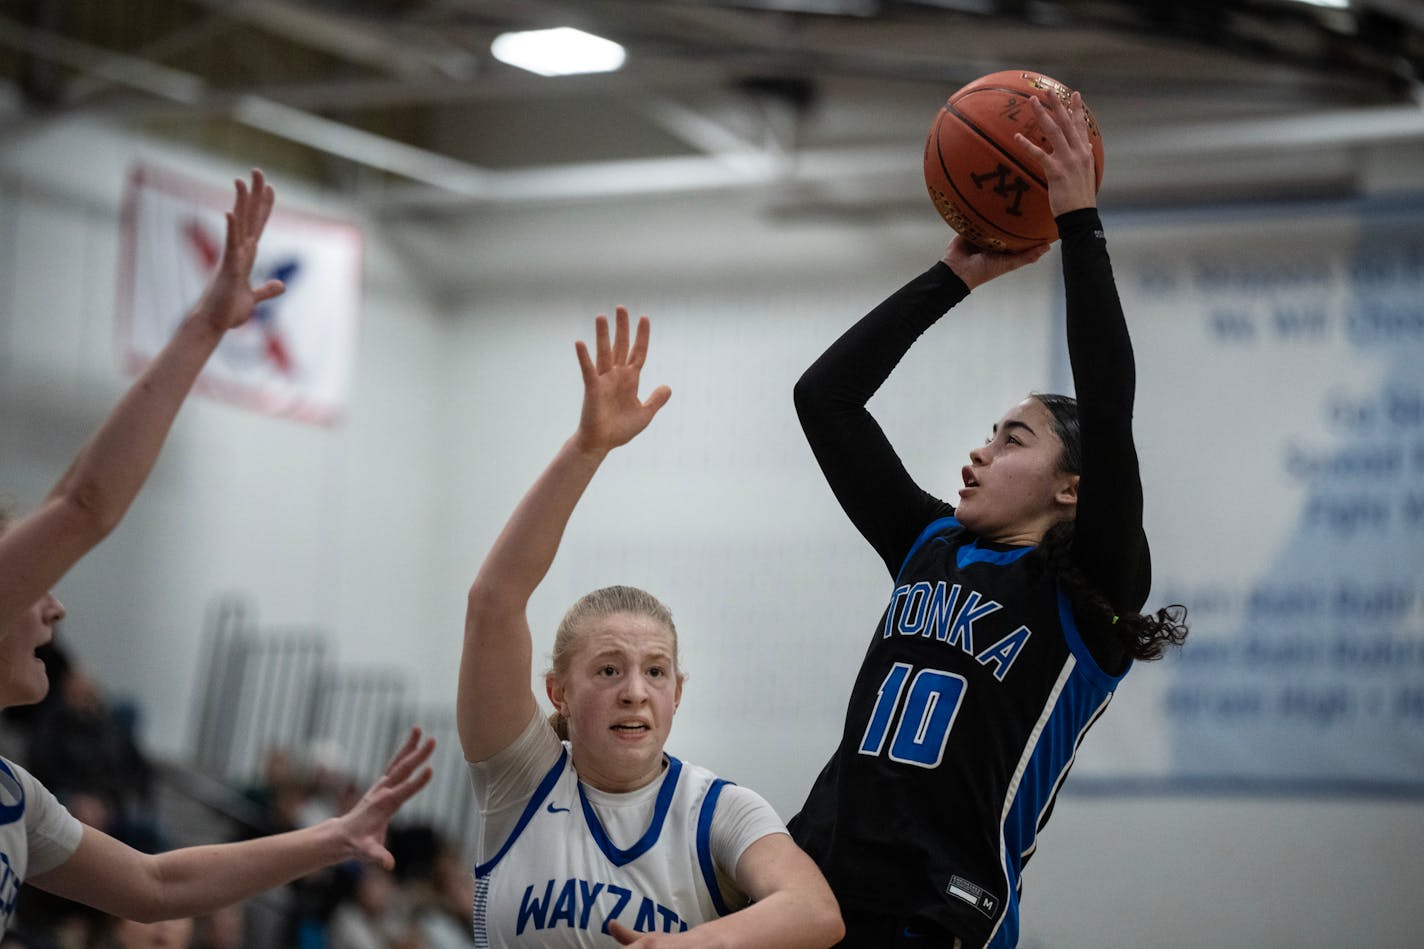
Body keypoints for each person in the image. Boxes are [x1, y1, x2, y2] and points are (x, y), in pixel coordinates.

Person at [786, 92, 1187, 948]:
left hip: (941, 916)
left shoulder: (1090, 604)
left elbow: (1109, 408)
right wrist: (951, 278)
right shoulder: (929, 544)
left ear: (1072, 486)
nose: (978, 454)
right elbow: (823, 399)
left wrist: (1079, 224)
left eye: (1011, 439)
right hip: (812, 886)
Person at [0, 169, 436, 935]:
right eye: (38, 583)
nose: (57, 605)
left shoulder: (14, 794)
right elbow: (82, 505)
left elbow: (156, 883)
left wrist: (335, 834)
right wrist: (202, 329)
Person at [459, 308, 844, 948]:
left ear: (677, 692)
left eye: (655, 671)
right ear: (558, 692)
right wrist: (588, 449)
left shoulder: (718, 809)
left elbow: (814, 912)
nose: (635, 690)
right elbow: (494, 601)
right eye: (608, 669)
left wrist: (682, 946)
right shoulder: (518, 781)